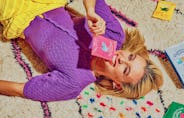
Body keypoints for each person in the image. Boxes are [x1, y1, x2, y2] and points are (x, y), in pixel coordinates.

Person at [0, 0, 163, 102]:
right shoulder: (114, 35)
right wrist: (91, 11)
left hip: (18, 16)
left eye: (125, 69)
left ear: (117, 84)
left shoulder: (73, 83)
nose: (121, 58)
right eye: (131, 56)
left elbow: (20, 89)